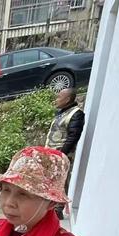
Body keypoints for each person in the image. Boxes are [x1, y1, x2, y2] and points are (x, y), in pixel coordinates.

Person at [45, 88, 85, 219]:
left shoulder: (76, 114)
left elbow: (73, 136)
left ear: (67, 99)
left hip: (62, 154)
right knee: (51, 180)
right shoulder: (61, 113)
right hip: (51, 153)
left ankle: (58, 209)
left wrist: (62, 153)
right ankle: (51, 207)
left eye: (59, 97)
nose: (56, 99)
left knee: (61, 181)